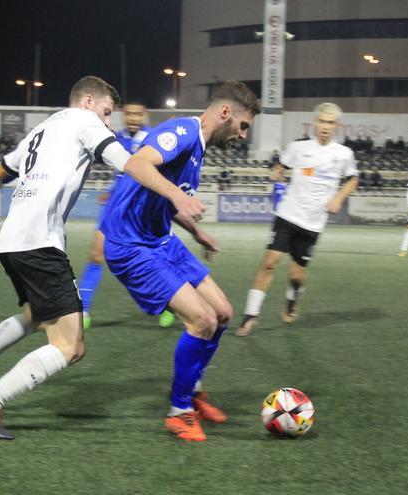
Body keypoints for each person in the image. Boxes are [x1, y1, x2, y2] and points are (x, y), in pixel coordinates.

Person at [0, 76, 133, 440]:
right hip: (40, 243)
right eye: (107, 113)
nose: (108, 122)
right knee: (70, 346)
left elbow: (1, 171)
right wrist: (159, 176)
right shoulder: (84, 120)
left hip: (11, 240)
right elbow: (124, 160)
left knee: (36, 316)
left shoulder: (41, 129)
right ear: (88, 101)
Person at [101, 81, 261, 441]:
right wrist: (178, 196)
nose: (243, 135)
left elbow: (162, 199)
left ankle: (193, 391)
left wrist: (195, 231)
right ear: (225, 113)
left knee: (222, 312)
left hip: (161, 240)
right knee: (201, 319)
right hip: (130, 246)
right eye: (243, 125)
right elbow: (138, 165)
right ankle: (179, 411)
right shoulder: (182, 131)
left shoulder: (198, 147)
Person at [235, 102, 358, 337]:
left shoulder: (344, 154)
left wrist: (339, 197)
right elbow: (281, 166)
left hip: (313, 223)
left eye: (330, 122)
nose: (325, 126)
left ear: (336, 126)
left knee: (296, 275)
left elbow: (353, 179)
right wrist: (277, 171)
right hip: (287, 215)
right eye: (322, 121)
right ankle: (250, 316)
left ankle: (293, 298)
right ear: (314, 122)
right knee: (270, 262)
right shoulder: (298, 148)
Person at [76, 102, 175, 330]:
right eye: (128, 113)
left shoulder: (156, 138)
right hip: (115, 206)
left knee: (157, 259)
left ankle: (169, 306)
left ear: (145, 115)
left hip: (144, 209)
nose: (132, 118)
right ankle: (84, 310)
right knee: (96, 255)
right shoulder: (116, 138)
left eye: (137, 114)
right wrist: (110, 193)